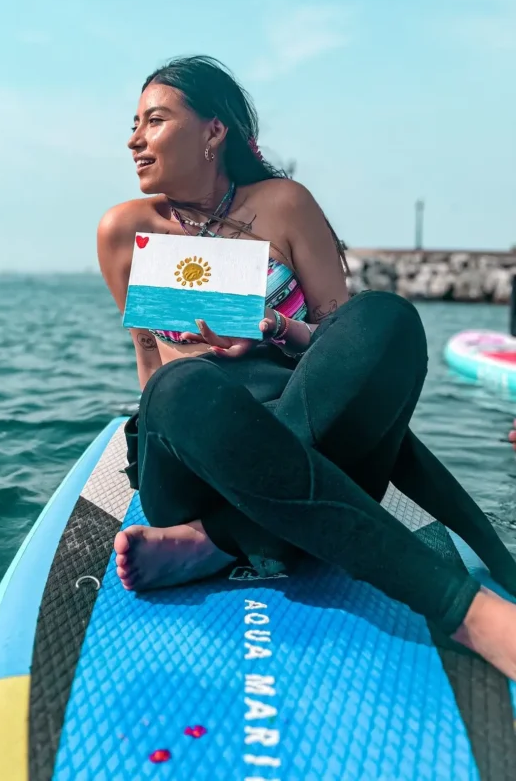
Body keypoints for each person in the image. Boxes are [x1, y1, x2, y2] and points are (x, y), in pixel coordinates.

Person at [97, 54, 516, 681]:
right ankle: (468, 614)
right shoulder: (124, 230)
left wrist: (276, 330)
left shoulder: (285, 205)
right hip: (195, 456)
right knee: (184, 383)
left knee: (388, 318)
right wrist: (200, 372)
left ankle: (221, 539)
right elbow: (147, 361)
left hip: (311, 434)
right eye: (134, 123)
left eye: (153, 121)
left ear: (214, 131)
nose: (134, 138)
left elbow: (348, 341)